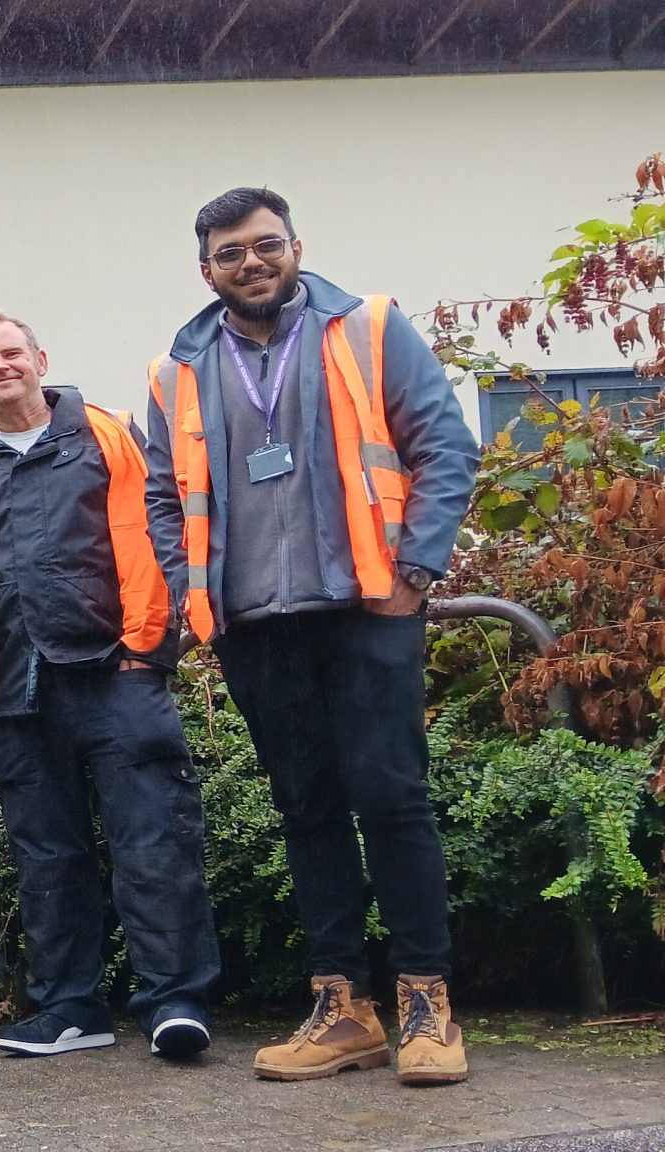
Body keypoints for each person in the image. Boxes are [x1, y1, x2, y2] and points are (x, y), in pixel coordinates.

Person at [147, 188, 480, 1086]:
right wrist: (190, 596)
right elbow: (160, 497)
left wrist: (415, 573)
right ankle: (343, 1008)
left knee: (393, 801)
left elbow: (444, 447)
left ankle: (425, 1002)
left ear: (295, 245)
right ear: (205, 269)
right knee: (307, 811)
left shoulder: (367, 328)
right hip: (256, 625)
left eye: (264, 246)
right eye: (229, 255)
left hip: (365, 609)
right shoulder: (178, 369)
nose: (250, 264)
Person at [0, 313, 220, 1060]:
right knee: (47, 860)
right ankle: (69, 1008)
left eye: (10, 353)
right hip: (12, 690)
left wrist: (149, 648)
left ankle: (174, 1002)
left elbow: (159, 535)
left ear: (41, 359)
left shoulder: (109, 434)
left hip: (117, 676)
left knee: (153, 843)